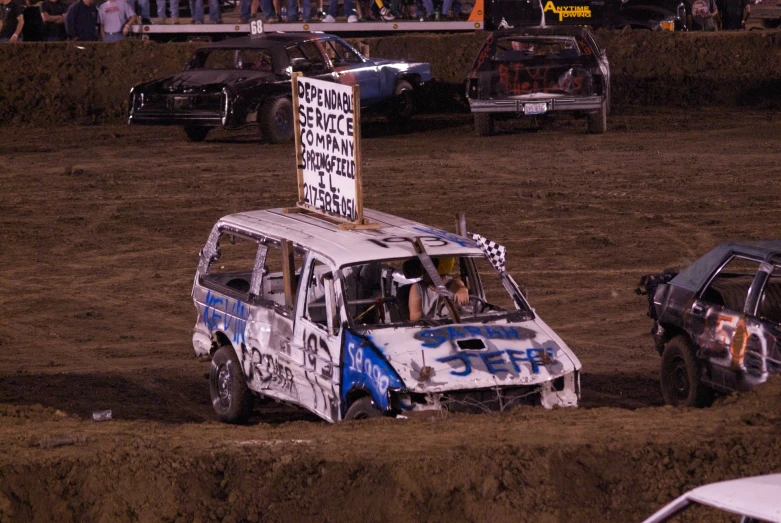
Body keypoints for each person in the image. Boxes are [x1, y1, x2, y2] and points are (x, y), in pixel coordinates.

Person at [409, 257, 469, 321]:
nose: (422, 272)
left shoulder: (453, 284)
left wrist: (462, 290)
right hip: (429, 328)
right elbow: (415, 319)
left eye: (425, 268)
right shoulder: (417, 287)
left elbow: (458, 285)